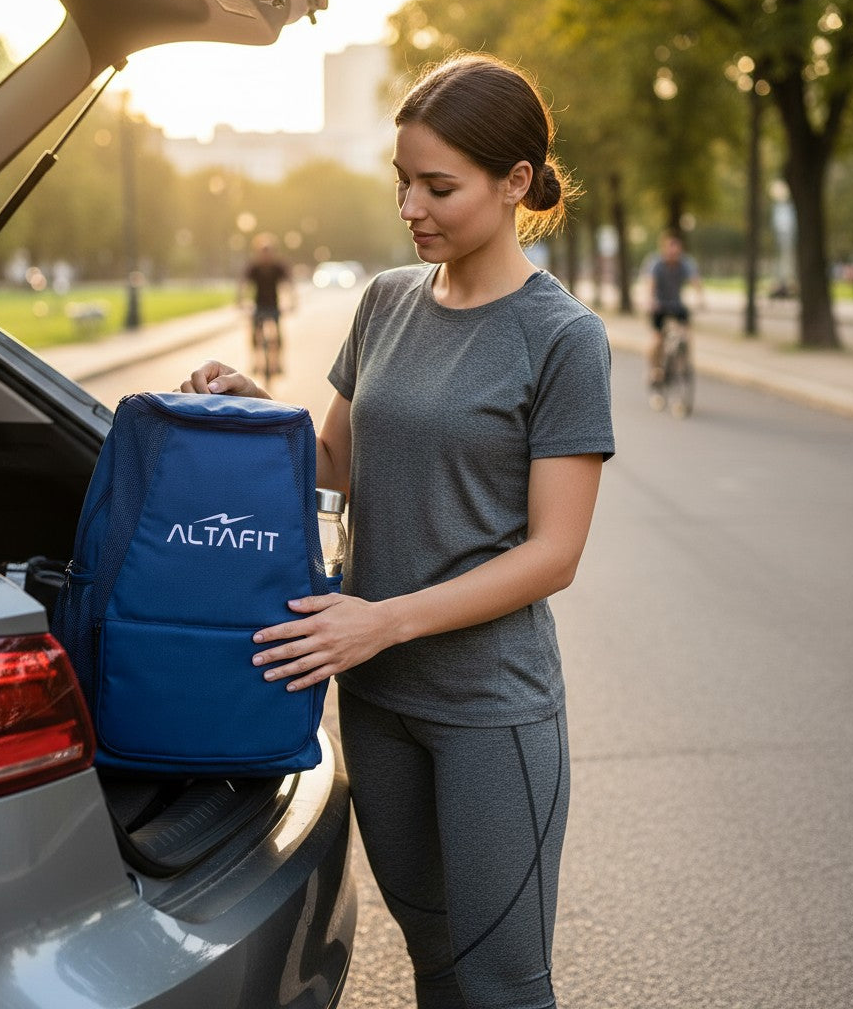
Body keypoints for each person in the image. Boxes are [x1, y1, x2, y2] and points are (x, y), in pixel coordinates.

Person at [181, 53, 614, 1009]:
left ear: (515, 183)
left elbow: (555, 555)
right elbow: (335, 465)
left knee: (502, 983)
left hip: (489, 708)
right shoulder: (385, 301)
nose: (411, 207)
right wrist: (256, 411)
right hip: (375, 699)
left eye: (438, 187)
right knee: (436, 964)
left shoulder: (563, 338)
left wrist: (380, 620)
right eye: (402, 182)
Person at [645, 231, 703, 391]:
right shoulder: (656, 263)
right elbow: (650, 284)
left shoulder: (685, 263)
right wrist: (650, 300)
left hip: (677, 305)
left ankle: (684, 361)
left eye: (677, 250)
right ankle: (654, 369)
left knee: (686, 334)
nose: (674, 253)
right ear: (664, 248)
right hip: (659, 305)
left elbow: (695, 280)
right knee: (657, 339)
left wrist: (700, 298)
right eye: (670, 249)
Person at [238, 232, 294, 376]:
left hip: (273, 306)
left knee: (278, 334)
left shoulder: (278, 267)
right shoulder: (254, 267)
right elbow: (243, 284)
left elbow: (289, 283)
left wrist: (292, 301)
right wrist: (240, 300)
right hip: (259, 306)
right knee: (255, 333)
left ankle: (278, 361)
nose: (266, 255)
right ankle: (256, 361)